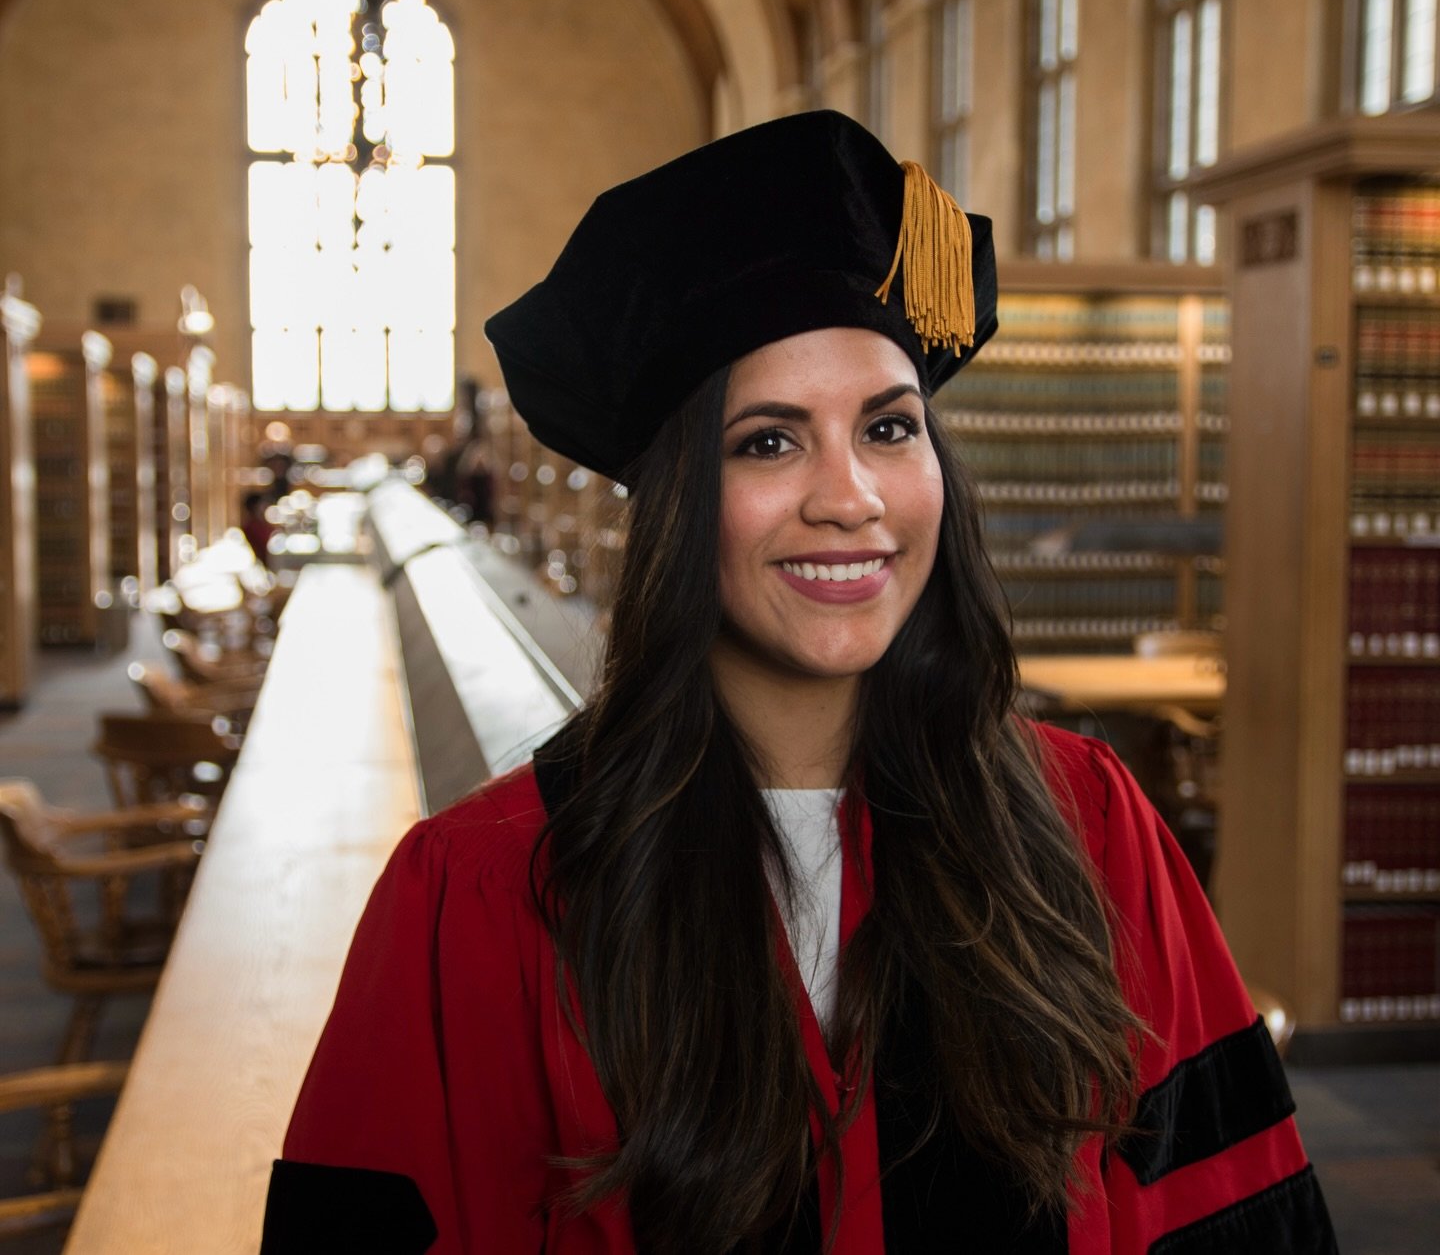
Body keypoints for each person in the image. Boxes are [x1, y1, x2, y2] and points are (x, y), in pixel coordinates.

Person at [260, 112, 1335, 1254]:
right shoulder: (487, 892)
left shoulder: (1085, 828)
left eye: (887, 426)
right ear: (676, 503)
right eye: (769, 441)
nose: (850, 495)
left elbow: (1230, 1221)